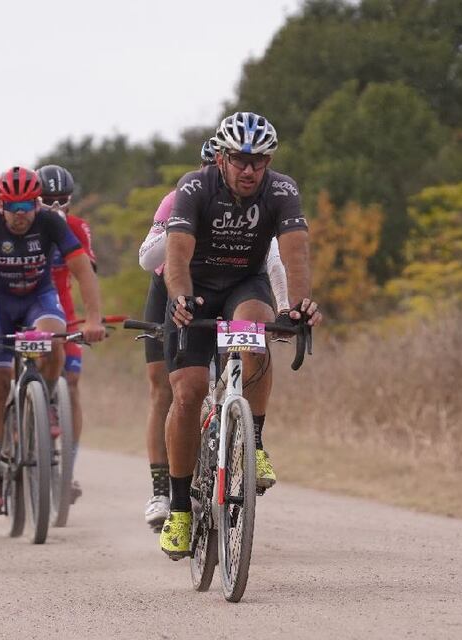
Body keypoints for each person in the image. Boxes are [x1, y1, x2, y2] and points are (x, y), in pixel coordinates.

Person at [158, 112, 322, 558]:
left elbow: (295, 254)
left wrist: (300, 304)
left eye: (259, 161)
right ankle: (178, 510)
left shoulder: (282, 190)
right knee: (188, 394)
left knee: (255, 332)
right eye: (240, 160)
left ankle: (256, 438)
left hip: (243, 284)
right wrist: (179, 297)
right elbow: (177, 253)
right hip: (195, 286)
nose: (249, 170)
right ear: (223, 159)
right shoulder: (195, 187)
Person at [136, 137, 292, 532]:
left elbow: (273, 258)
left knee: (246, 343)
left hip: (233, 289)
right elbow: (148, 258)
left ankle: (240, 430)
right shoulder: (181, 199)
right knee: (169, 390)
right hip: (174, 290)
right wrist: (178, 231)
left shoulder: (255, 205)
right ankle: (163, 491)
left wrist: (287, 306)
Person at [0, 166, 105, 514]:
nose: (21, 217)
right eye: (13, 209)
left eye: (27, 208)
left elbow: (82, 270)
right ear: (1, 206)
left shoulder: (50, 222)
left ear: (36, 204)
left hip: (39, 298)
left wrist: (94, 318)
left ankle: (47, 399)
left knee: (55, 340)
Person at [38, 164, 97, 501]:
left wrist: (94, 318)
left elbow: (89, 270)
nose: (56, 208)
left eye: (62, 201)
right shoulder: (21, 228)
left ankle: (67, 474)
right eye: (48, 201)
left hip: (64, 312)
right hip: (23, 314)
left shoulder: (77, 226)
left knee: (72, 384)